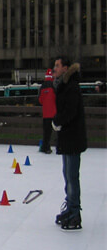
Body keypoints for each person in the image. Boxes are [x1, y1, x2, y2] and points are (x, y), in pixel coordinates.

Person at [52, 56, 87, 230]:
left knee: (72, 177)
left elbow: (70, 111)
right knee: (67, 175)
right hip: (67, 137)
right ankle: (70, 207)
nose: (54, 68)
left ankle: (75, 213)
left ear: (66, 68)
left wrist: (57, 121)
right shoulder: (64, 86)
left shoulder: (71, 87)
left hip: (73, 138)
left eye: (57, 66)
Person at [38, 68, 57, 153]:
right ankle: (59, 147)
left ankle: (45, 147)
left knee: (47, 132)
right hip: (55, 112)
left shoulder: (42, 86)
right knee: (58, 130)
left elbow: (40, 100)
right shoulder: (54, 85)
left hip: (46, 113)